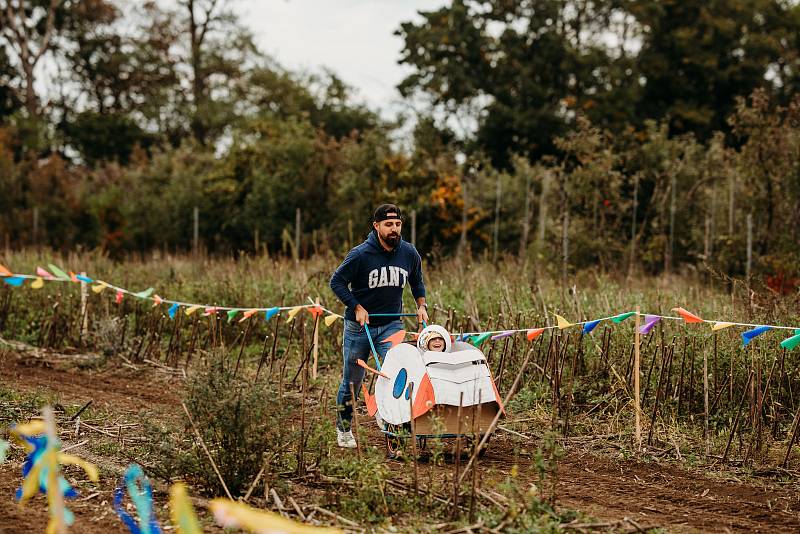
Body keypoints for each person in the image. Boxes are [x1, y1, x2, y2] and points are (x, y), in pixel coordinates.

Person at [329, 203, 429, 448]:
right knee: (352, 381)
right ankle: (343, 428)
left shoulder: (409, 252)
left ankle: (391, 420)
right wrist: (357, 307)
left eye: (397, 224)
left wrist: (421, 304)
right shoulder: (360, 254)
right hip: (358, 327)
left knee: (396, 376)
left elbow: (417, 281)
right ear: (376, 226)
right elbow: (337, 282)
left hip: (391, 325)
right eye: (388, 225)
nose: (394, 229)